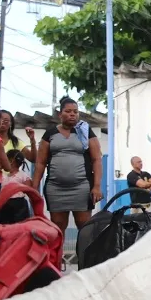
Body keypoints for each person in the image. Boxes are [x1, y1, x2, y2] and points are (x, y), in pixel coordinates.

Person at [32, 96, 103, 233]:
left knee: (84, 226)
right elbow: (41, 162)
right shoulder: (50, 133)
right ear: (60, 114)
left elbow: (96, 160)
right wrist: (34, 186)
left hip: (82, 187)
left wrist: (97, 186)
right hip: (55, 188)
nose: (72, 114)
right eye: (68, 111)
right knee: (58, 227)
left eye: (75, 112)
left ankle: (84, 255)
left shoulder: (85, 131)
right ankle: (57, 255)